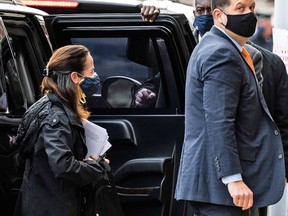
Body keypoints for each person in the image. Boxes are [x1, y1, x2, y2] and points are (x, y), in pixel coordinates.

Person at [174, 0, 286, 215]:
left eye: (252, 8)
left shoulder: (223, 48)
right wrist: (233, 178)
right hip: (222, 190)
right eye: (240, 8)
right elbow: (219, 121)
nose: (249, 14)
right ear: (219, 15)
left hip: (221, 190)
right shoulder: (221, 52)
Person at [14, 45, 108, 215]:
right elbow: (63, 166)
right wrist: (97, 167)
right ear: (74, 77)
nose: (94, 77)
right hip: (52, 207)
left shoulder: (49, 106)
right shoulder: (55, 117)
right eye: (91, 72)